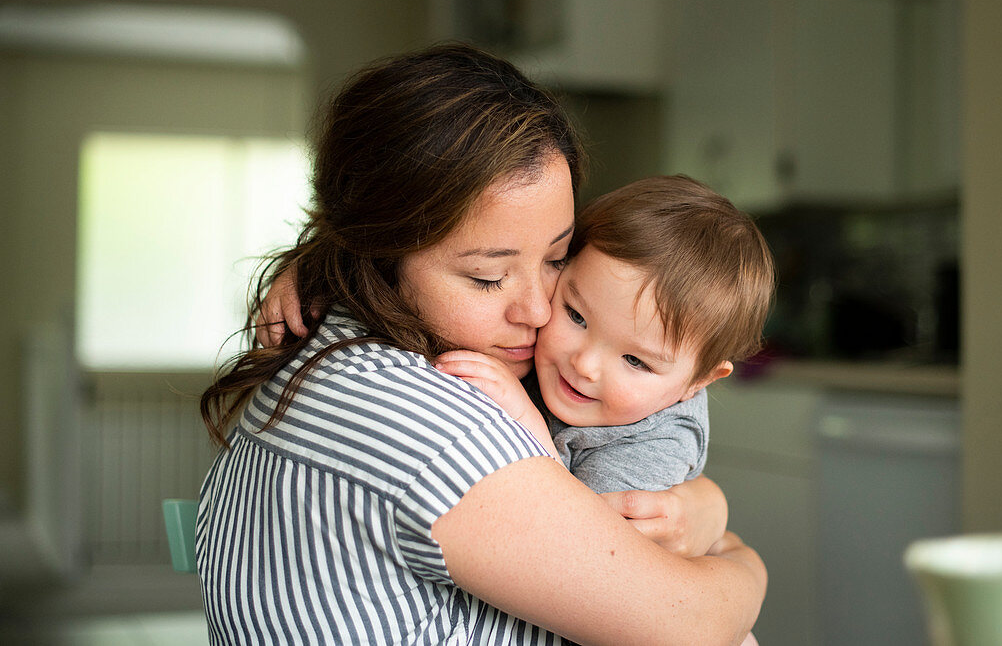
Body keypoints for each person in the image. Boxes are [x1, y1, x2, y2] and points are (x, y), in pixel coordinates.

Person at [201, 43, 765, 645]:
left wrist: (706, 509)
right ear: (379, 243)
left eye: (556, 258)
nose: (540, 309)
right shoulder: (433, 417)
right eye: (487, 277)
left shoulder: (353, 344)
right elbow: (686, 626)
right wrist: (744, 566)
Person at [431, 175, 775, 496]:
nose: (584, 365)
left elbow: (584, 542)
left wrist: (527, 423)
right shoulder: (529, 348)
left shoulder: (657, 445)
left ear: (698, 381)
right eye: (576, 316)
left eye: (635, 360)